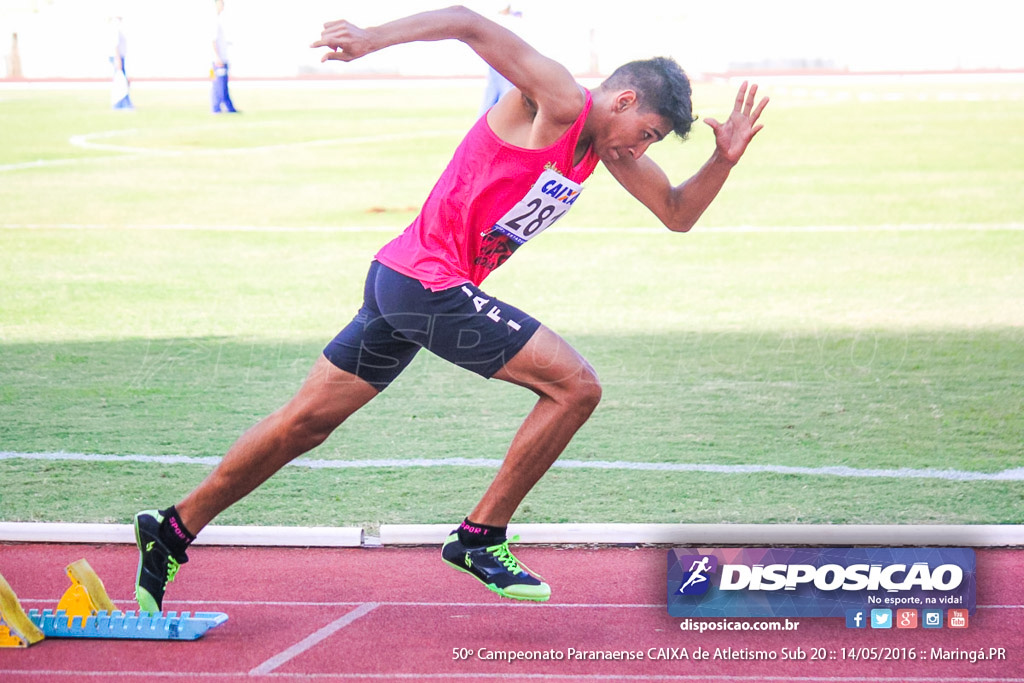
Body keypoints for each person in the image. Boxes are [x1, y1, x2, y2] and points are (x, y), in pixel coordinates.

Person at [133, 5, 767, 609]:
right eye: (646, 133)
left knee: (304, 424)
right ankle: (480, 536)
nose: (641, 148)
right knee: (576, 388)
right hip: (426, 285)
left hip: (403, 282)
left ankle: (173, 529)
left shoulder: (605, 150)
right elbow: (467, 22)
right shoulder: (562, 101)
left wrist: (722, 159)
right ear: (623, 101)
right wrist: (369, 37)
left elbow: (678, 214)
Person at [210, 0, 238, 113]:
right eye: (221, 3)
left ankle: (221, 107)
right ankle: (221, 107)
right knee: (220, 84)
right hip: (218, 60)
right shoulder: (214, 21)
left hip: (222, 58)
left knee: (220, 83)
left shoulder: (220, 20)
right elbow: (213, 41)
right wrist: (217, 57)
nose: (223, 6)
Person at [109, 16, 133, 110]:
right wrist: (118, 60)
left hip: (120, 58)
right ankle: (121, 104)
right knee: (120, 82)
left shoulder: (117, 29)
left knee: (121, 81)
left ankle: (123, 103)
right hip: (118, 58)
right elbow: (115, 45)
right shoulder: (114, 28)